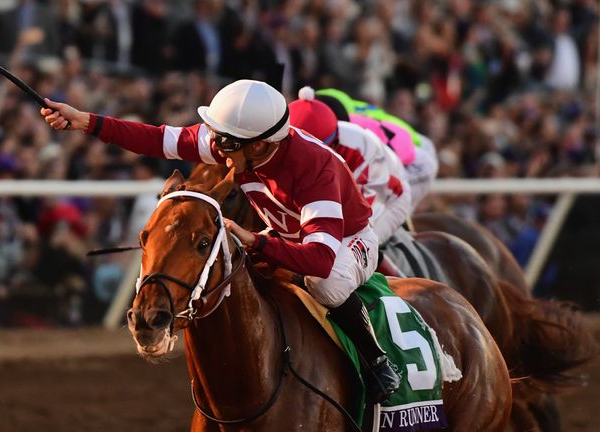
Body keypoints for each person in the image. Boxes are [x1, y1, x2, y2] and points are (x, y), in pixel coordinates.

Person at [40, 79, 400, 403]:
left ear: (259, 146)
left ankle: (376, 360)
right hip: (285, 233)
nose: (216, 148)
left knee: (327, 284)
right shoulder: (238, 143)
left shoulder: (313, 168)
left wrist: (255, 242)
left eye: (226, 142)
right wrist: (86, 122)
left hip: (346, 241)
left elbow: (320, 259)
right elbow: (156, 139)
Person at [289, 87, 412, 247]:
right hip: (356, 185)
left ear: (333, 143)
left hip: (391, 195)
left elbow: (361, 218)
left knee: (358, 245)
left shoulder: (360, 148)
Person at [314, 88, 439, 211]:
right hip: (410, 143)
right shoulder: (347, 113)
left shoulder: (351, 130)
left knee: (386, 207)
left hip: (414, 156)